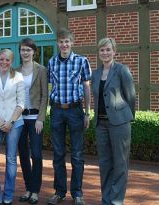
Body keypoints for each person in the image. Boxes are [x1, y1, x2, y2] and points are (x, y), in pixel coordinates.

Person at [46, 28, 91, 205]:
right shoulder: (51, 62)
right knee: (57, 153)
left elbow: (86, 87)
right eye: (61, 41)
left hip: (75, 110)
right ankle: (59, 192)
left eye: (67, 41)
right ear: (57, 43)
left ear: (72, 43)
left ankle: (77, 193)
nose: (64, 44)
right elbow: (51, 86)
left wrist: (87, 112)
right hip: (57, 111)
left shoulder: (82, 61)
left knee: (77, 154)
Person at [91, 37, 135, 205]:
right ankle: (106, 199)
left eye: (108, 49)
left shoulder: (122, 70)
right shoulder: (95, 73)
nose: (105, 53)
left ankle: (116, 201)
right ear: (99, 52)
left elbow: (131, 97)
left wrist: (127, 118)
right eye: (102, 50)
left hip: (120, 124)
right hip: (100, 125)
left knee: (120, 164)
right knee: (105, 164)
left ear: (114, 51)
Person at [0, 49, 25, 205]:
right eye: (1, 59)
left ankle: (8, 195)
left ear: (11, 61)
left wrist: (10, 122)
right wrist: (0, 121)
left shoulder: (18, 77)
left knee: (11, 159)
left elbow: (21, 103)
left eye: (7, 60)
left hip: (14, 122)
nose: (4, 62)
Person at [17, 38, 48, 204]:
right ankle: (28, 188)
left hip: (35, 118)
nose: (25, 53)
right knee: (23, 154)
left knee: (36, 154)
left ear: (34, 52)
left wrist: (40, 118)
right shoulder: (15, 71)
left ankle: (35, 191)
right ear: (20, 52)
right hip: (20, 119)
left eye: (28, 50)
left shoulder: (41, 70)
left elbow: (45, 96)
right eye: (23, 50)